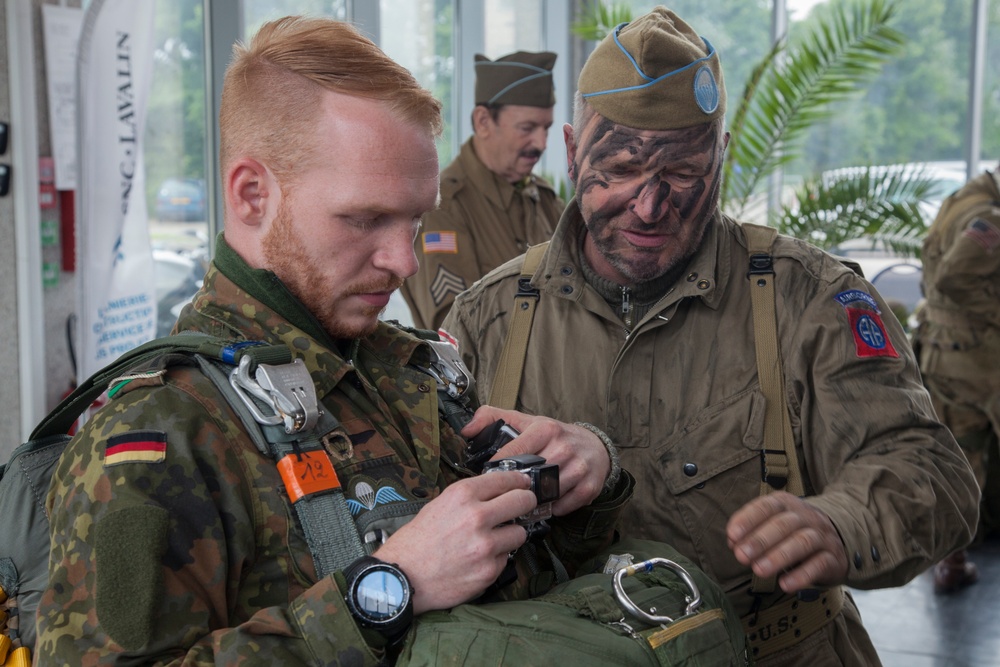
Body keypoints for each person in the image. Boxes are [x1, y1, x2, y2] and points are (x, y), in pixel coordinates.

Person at [34, 17, 630, 665]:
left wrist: (585, 479)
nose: (405, 261)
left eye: (416, 220)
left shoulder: (411, 371)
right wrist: (387, 589)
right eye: (366, 218)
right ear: (253, 194)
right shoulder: (159, 432)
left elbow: (529, 590)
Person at [442, 7, 980, 665]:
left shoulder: (804, 298)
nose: (648, 205)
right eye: (619, 168)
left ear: (720, 157)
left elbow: (934, 471)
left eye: (683, 173)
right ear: (574, 150)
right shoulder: (489, 317)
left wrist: (843, 521)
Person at [400, 50, 564, 330]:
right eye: (527, 128)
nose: (541, 143)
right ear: (483, 121)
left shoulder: (546, 201)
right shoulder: (443, 206)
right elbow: (456, 325)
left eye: (546, 128)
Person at [914, 160, 1000, 594]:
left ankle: (951, 562)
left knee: (964, 464)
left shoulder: (958, 200)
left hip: (945, 357)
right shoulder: (988, 216)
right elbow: (952, 276)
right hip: (986, 362)